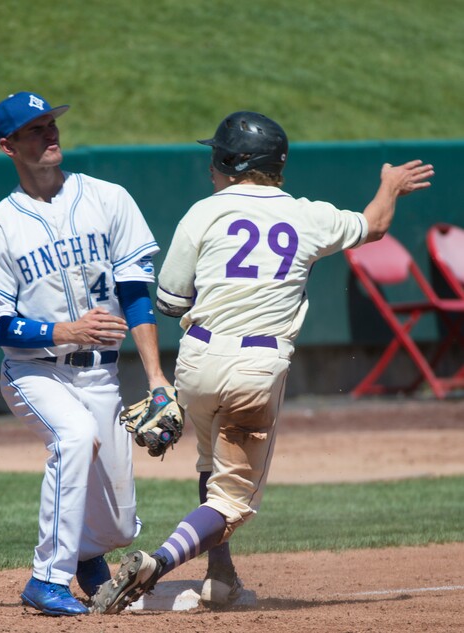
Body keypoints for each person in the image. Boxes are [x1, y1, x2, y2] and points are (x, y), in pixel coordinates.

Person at [90, 110, 435, 614]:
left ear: (233, 161)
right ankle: (156, 564)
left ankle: (221, 578)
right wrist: (389, 185)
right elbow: (376, 225)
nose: (211, 165)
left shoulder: (203, 212)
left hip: (198, 360)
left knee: (211, 468)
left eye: (216, 155)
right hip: (255, 370)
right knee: (232, 502)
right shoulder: (308, 215)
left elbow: (168, 301)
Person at [0, 91, 174, 616]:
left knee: (120, 527)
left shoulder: (108, 199)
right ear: (8, 145)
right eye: (35, 129)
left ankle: (85, 553)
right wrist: (66, 330)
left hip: (102, 378)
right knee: (74, 437)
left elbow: (134, 293)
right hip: (34, 373)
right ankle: (47, 578)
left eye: (51, 124)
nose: (50, 134)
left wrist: (157, 380)